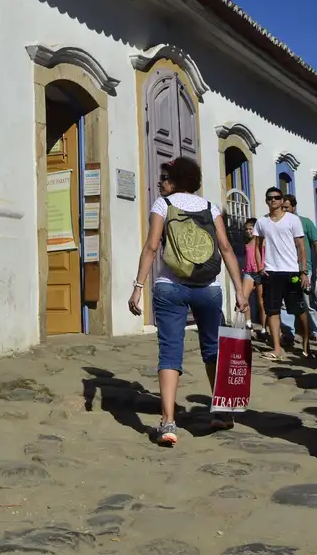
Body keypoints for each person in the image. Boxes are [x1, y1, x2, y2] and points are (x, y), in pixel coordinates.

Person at [129, 157, 249, 446]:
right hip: (208, 289)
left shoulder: (163, 205)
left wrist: (137, 286)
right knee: (213, 349)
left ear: (177, 180)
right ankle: (222, 412)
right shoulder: (211, 208)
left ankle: (168, 422)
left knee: (170, 352)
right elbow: (226, 248)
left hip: (170, 287)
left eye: (166, 177)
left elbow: (152, 246)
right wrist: (240, 291)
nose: (161, 182)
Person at [254, 187, 309, 360]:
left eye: (277, 198)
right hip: (271, 272)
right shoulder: (262, 222)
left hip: (291, 271)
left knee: (298, 310)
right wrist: (260, 266)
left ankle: (306, 344)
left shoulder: (293, 220)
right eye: (270, 198)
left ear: (281, 200)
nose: (273, 201)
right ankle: (277, 349)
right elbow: (257, 245)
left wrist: (304, 271)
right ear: (266, 200)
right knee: (272, 310)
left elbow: (301, 247)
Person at [281, 194, 317, 347]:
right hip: (287, 269)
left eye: (287, 207)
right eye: (283, 208)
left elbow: (316, 244)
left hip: (305, 268)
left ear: (293, 207)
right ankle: (288, 333)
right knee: (285, 303)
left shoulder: (306, 223)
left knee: (308, 301)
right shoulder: (280, 224)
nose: (284, 210)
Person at [243, 217, 263, 331]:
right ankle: (248, 323)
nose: (248, 231)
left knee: (261, 302)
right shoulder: (246, 243)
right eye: (246, 229)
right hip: (248, 272)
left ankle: (264, 327)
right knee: (244, 298)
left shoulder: (261, 241)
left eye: (250, 229)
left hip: (259, 272)